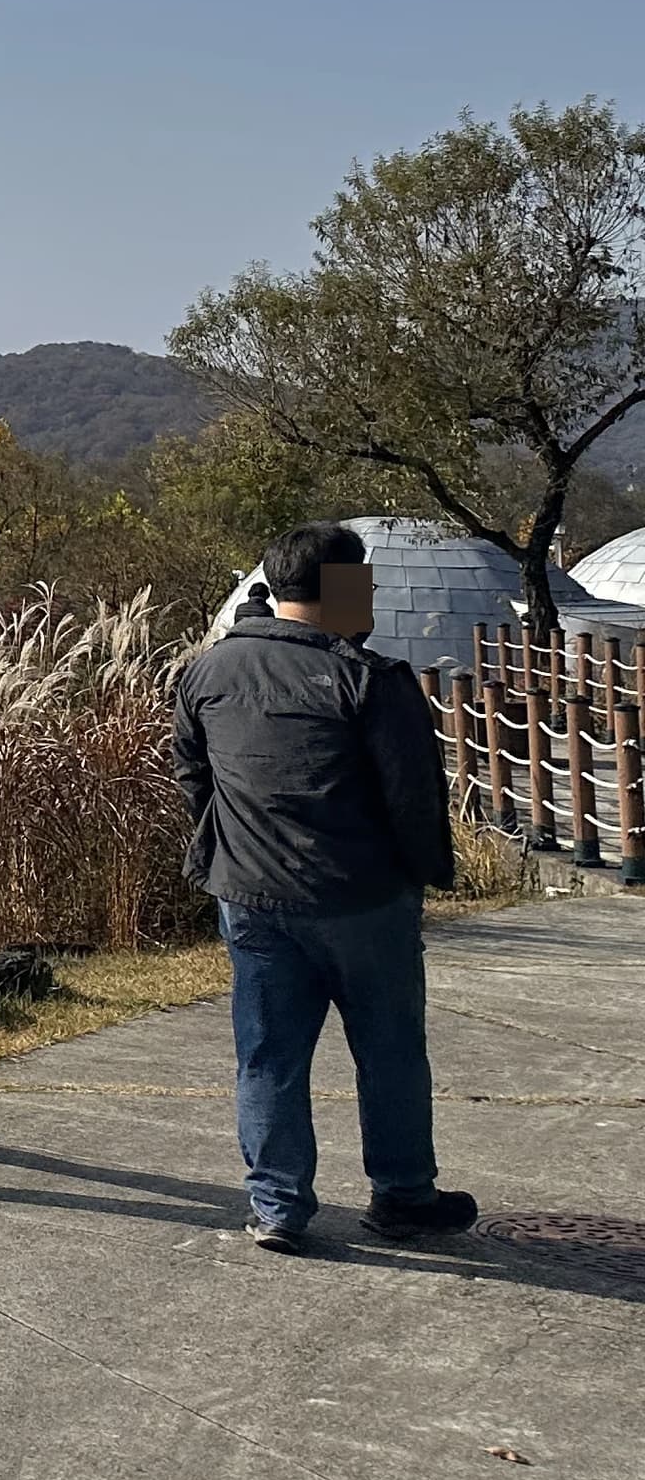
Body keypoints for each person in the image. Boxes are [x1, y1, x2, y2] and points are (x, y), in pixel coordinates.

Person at [172, 521, 477, 1252]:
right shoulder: (367, 678)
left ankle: (278, 1204)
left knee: (269, 1052)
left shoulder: (207, 671)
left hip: (249, 896)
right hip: (362, 897)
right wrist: (426, 873)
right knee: (391, 1048)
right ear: (345, 588)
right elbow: (413, 798)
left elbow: (194, 778)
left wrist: (231, 852)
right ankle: (403, 1195)